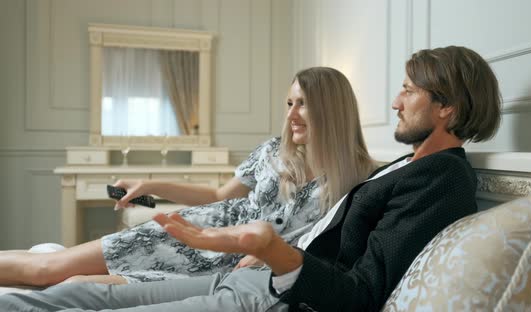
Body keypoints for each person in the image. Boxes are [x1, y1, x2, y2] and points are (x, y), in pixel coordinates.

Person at [0, 45, 502, 312]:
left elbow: (362, 290)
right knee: (74, 291)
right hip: (243, 266)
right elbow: (316, 232)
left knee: (82, 289)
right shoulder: (404, 166)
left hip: (263, 281)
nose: (394, 101)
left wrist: (266, 247)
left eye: (408, 91)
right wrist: (251, 247)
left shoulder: (437, 179)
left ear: (447, 107)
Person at [0, 67, 375, 287]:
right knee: (49, 268)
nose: (292, 114)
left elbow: (322, 249)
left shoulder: (360, 179)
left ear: (331, 108)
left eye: (303, 103)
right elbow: (217, 193)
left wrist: (267, 257)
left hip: (227, 266)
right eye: (289, 103)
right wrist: (151, 186)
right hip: (193, 232)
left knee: (77, 284)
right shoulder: (273, 151)